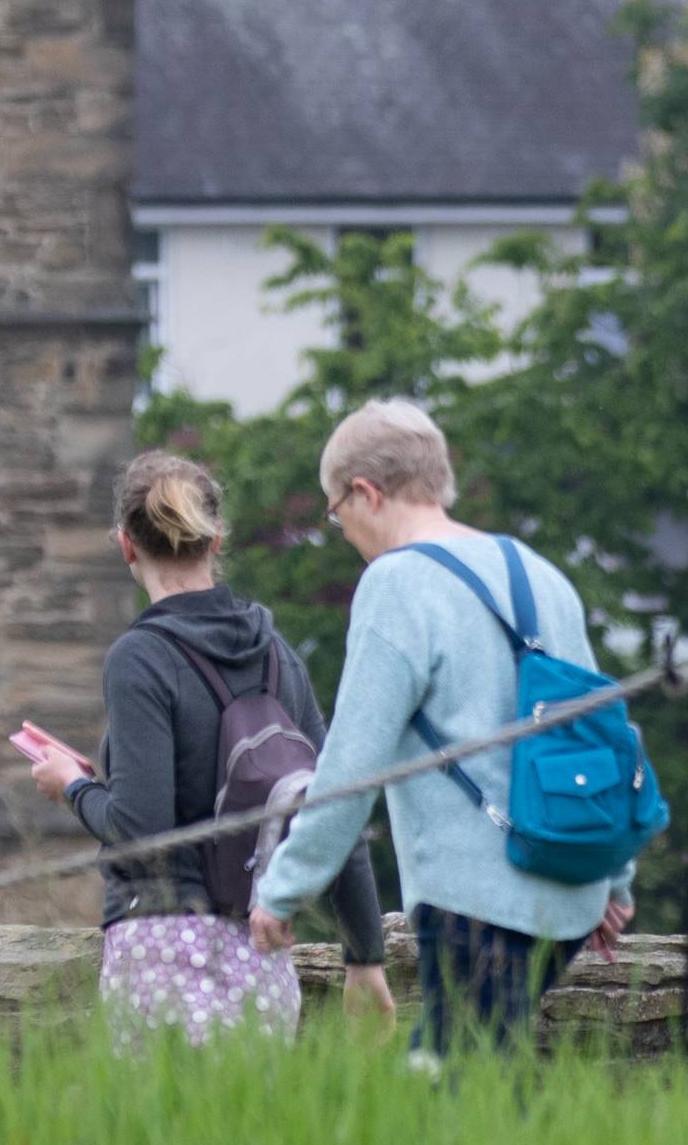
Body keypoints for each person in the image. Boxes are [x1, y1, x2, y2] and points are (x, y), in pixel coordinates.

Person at [242, 397, 634, 1055]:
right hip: (571, 891)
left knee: (450, 1085)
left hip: (475, 900)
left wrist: (284, 888)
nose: (340, 529)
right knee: (478, 1080)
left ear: (366, 492)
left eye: (335, 510)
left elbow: (352, 762)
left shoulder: (397, 582)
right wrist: (613, 880)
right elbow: (605, 735)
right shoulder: (541, 574)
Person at [15, 450, 391, 1041]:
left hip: (160, 950)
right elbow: (333, 807)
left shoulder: (140, 659)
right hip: (261, 952)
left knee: (162, 1134)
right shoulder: (277, 655)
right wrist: (365, 955)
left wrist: (74, 786)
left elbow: (144, 832)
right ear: (217, 540)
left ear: (125, 546)